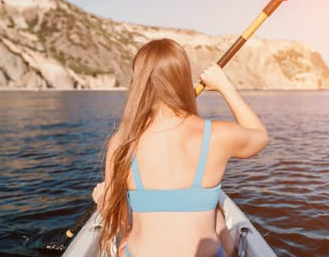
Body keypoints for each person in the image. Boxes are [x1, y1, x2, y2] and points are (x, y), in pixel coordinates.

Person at [92, 38, 268, 257]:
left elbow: (115, 218)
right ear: (182, 80)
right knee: (216, 214)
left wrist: (101, 196)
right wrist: (224, 86)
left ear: (137, 83)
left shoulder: (122, 141)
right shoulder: (215, 135)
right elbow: (260, 136)